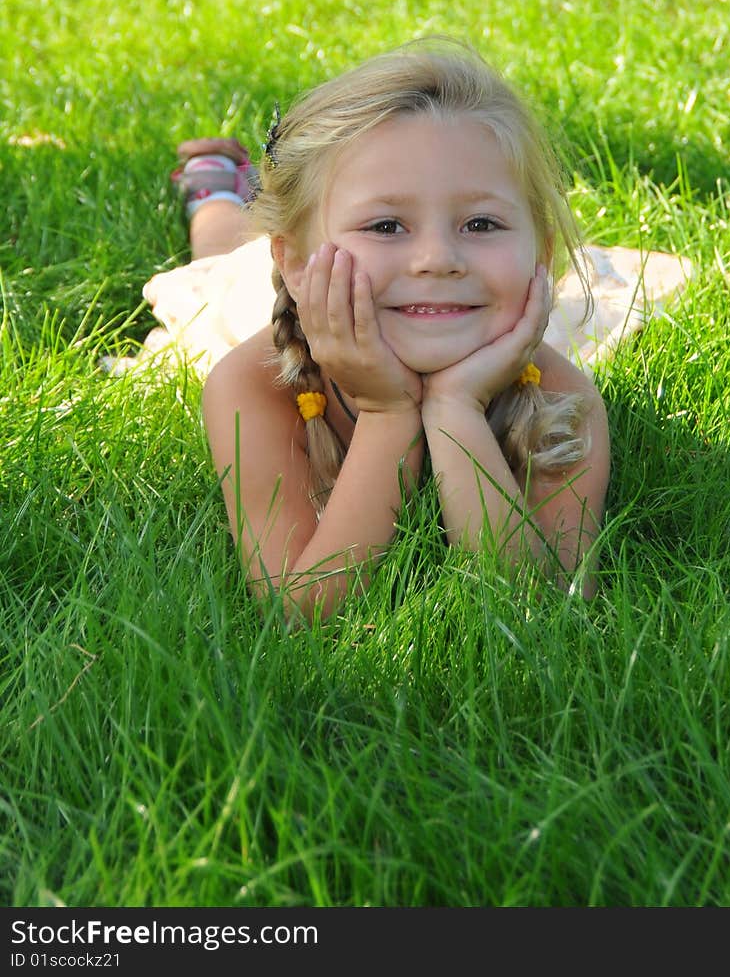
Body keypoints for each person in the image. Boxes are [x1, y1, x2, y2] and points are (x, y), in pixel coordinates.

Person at [175, 38, 612, 624]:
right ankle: (215, 189)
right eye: (386, 225)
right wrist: (387, 413)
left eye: (481, 223)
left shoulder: (562, 398)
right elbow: (303, 611)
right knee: (212, 270)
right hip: (259, 295)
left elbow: (546, 610)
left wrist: (455, 408)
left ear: (542, 252)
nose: (437, 259)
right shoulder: (251, 388)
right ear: (297, 265)